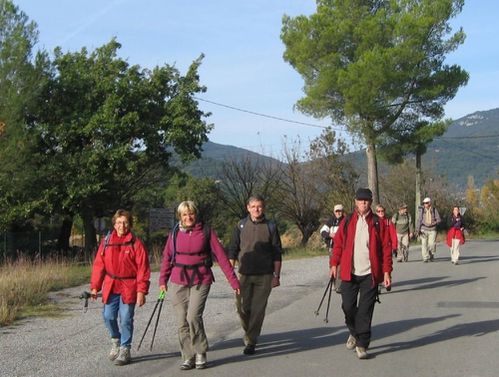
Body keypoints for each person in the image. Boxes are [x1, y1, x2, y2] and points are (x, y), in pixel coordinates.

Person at [159, 201, 240, 370]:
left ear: (196, 214)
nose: (188, 217)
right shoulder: (174, 233)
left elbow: (222, 257)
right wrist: (162, 281)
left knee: (193, 316)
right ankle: (188, 355)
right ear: (180, 217)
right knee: (182, 319)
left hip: (201, 278)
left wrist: (233, 281)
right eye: (184, 215)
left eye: (191, 214)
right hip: (178, 280)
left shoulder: (206, 231)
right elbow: (167, 258)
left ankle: (200, 351)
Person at [330, 188, 392, 359]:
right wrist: (334, 263)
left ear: (370, 202)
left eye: (366, 200)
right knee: (348, 307)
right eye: (360, 200)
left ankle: (362, 344)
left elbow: (386, 249)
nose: (363, 203)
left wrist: (387, 272)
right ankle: (354, 332)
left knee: (365, 311)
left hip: (370, 274)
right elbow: (338, 245)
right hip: (349, 273)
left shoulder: (378, 223)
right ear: (355, 202)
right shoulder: (348, 221)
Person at [90, 209, 151, 366]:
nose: (121, 226)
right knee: (108, 316)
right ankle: (116, 340)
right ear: (114, 224)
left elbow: (143, 269)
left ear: (129, 224)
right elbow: (99, 265)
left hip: (129, 286)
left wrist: (141, 291)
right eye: (118, 222)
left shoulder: (136, 244)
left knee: (125, 318)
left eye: (125, 222)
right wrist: (95, 287)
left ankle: (125, 348)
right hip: (111, 285)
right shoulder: (106, 242)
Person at [228, 195, 282, 356]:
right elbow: (233, 250)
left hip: (264, 275)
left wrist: (276, 276)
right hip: (244, 274)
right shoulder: (240, 225)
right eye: (253, 206)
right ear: (248, 208)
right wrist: (231, 275)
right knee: (242, 308)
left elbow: (277, 253)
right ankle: (249, 332)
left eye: (259, 206)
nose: (256, 209)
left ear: (263, 207)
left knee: (258, 310)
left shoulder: (271, 226)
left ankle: (251, 341)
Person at [320, 204, 345, 292]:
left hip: (343, 248)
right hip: (332, 247)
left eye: (340, 211)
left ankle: (339, 286)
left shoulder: (345, 221)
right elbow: (322, 231)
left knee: (340, 267)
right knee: (332, 266)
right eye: (336, 211)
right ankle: (334, 283)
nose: (338, 213)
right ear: (334, 212)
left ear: (343, 211)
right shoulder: (331, 221)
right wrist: (330, 235)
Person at [417, 197, 441, 262]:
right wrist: (417, 229)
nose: (425, 204)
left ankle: (431, 253)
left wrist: (434, 223)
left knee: (432, 244)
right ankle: (425, 257)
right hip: (424, 229)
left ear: (430, 203)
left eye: (427, 203)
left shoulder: (434, 210)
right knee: (424, 244)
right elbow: (419, 220)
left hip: (432, 229)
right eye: (424, 203)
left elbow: (439, 219)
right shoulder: (422, 210)